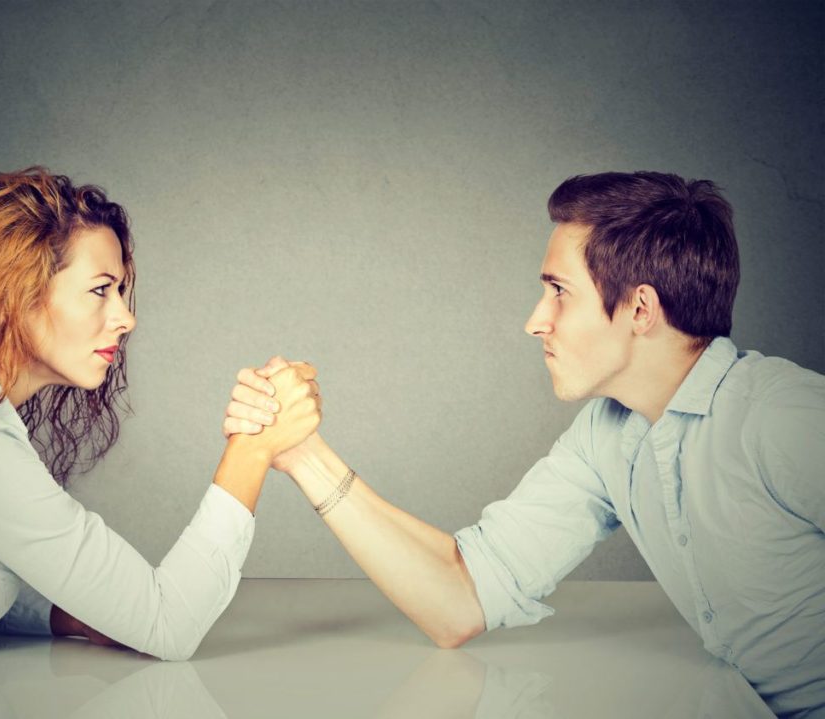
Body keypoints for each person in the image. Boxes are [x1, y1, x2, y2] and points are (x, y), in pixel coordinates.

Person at [225, 171, 825, 717]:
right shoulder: (607, 435)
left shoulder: (783, 417)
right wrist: (302, 452)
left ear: (640, 308)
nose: (536, 320)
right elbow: (461, 601)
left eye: (559, 291)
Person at [0, 167, 321, 718]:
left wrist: (67, 615)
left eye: (120, 290)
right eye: (100, 290)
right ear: (14, 294)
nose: (126, 318)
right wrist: (253, 443)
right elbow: (171, 624)